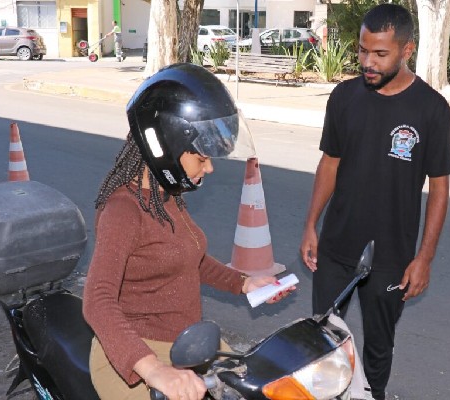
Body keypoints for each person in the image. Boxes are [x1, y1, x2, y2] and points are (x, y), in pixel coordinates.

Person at [83, 63, 294, 400]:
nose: (209, 167)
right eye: (201, 158)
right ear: (163, 148)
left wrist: (244, 283)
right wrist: (154, 370)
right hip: (136, 355)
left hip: (187, 344)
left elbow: (190, 258)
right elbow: (97, 301)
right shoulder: (123, 211)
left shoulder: (166, 196)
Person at [299, 4, 450, 400]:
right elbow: (329, 163)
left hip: (392, 258)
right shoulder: (343, 96)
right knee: (323, 343)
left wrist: (425, 258)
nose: (368, 62)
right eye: (363, 50)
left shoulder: (432, 109)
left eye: (380, 54)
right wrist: (311, 224)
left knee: (379, 349)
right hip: (336, 247)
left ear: (406, 50)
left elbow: (439, 188)